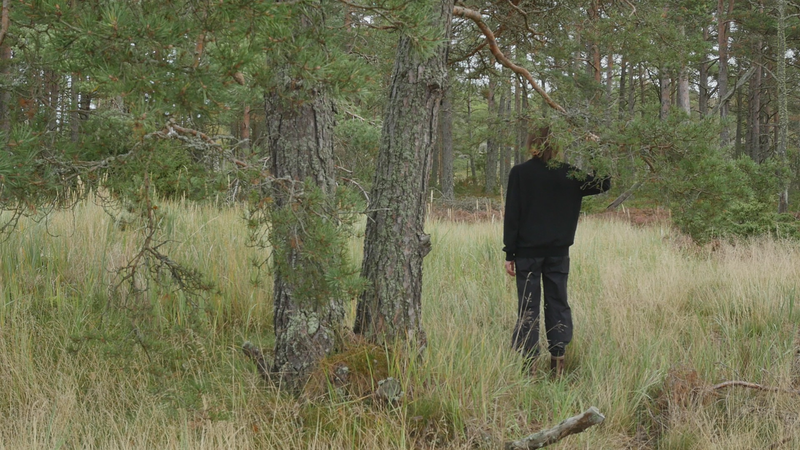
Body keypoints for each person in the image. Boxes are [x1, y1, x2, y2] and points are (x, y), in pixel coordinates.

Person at [503, 126, 610, 376]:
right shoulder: (569, 174)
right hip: (558, 254)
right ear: (557, 147)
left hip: (527, 254)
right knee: (558, 303)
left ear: (532, 144)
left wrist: (510, 253)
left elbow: (513, 215)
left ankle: (529, 369)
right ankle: (557, 365)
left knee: (528, 306)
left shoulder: (520, 173)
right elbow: (603, 183)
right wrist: (595, 149)